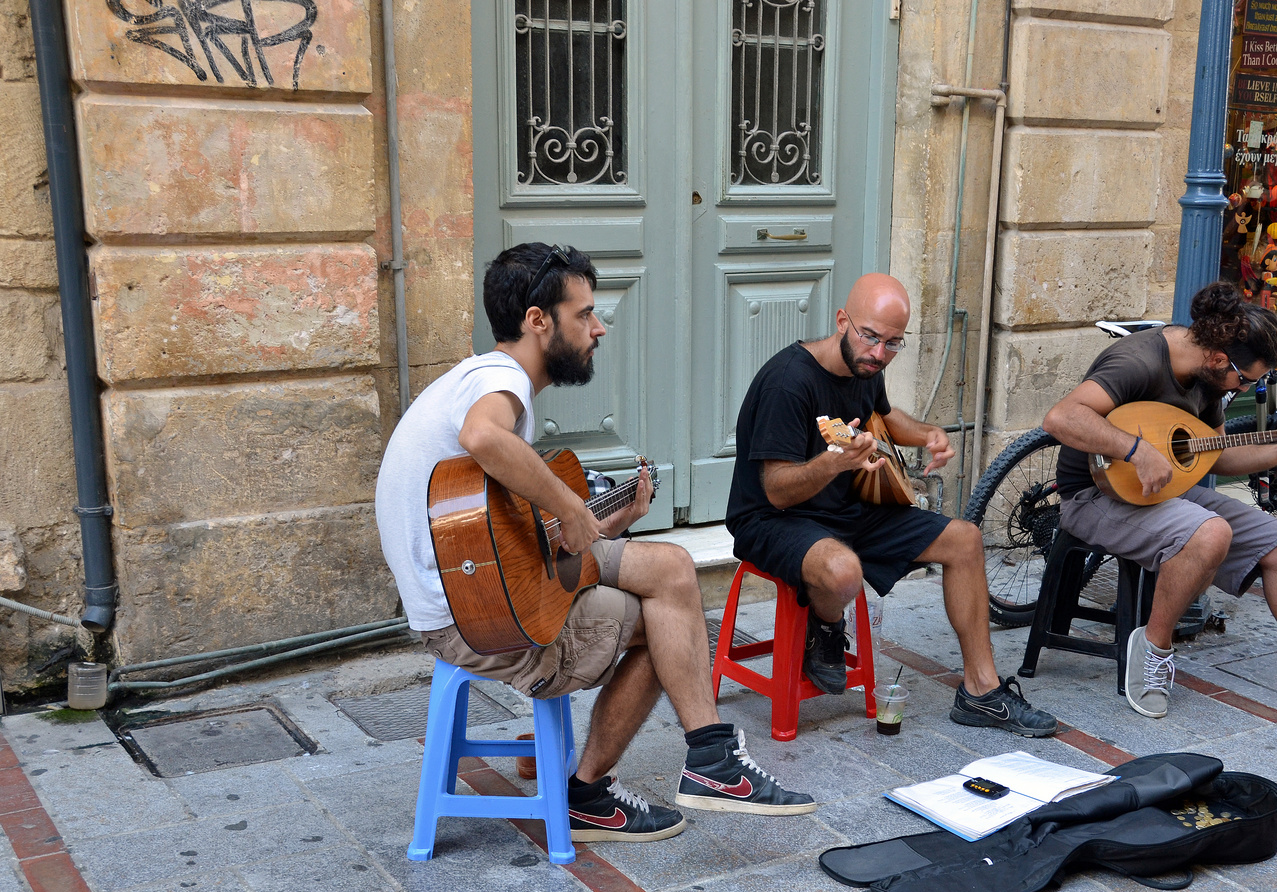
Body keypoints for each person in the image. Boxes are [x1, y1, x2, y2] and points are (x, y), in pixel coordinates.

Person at [375, 243, 816, 843]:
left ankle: (710, 754)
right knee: (667, 626)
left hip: (483, 582)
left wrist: (602, 521)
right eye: (584, 314)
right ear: (538, 320)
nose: (598, 328)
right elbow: (484, 440)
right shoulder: (500, 383)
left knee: (673, 568)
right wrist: (567, 505)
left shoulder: (476, 378)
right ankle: (592, 792)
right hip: (472, 616)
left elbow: (517, 540)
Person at [1041, 281, 1277, 722]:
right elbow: (1062, 416)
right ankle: (1153, 650)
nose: (1245, 386)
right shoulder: (1136, 361)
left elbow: (1209, 453)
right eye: (1246, 379)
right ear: (1218, 358)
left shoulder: (1209, 376)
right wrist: (1136, 450)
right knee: (1211, 533)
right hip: (1094, 494)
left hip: (1165, 491)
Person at [726, 273, 1058, 738]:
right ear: (842, 321)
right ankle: (824, 624)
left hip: (845, 508)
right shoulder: (789, 382)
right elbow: (776, 489)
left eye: (893, 344)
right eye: (871, 337)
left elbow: (884, 415)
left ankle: (980, 692)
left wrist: (929, 434)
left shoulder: (865, 368)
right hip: (773, 518)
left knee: (964, 540)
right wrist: (836, 463)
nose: (880, 354)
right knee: (843, 572)